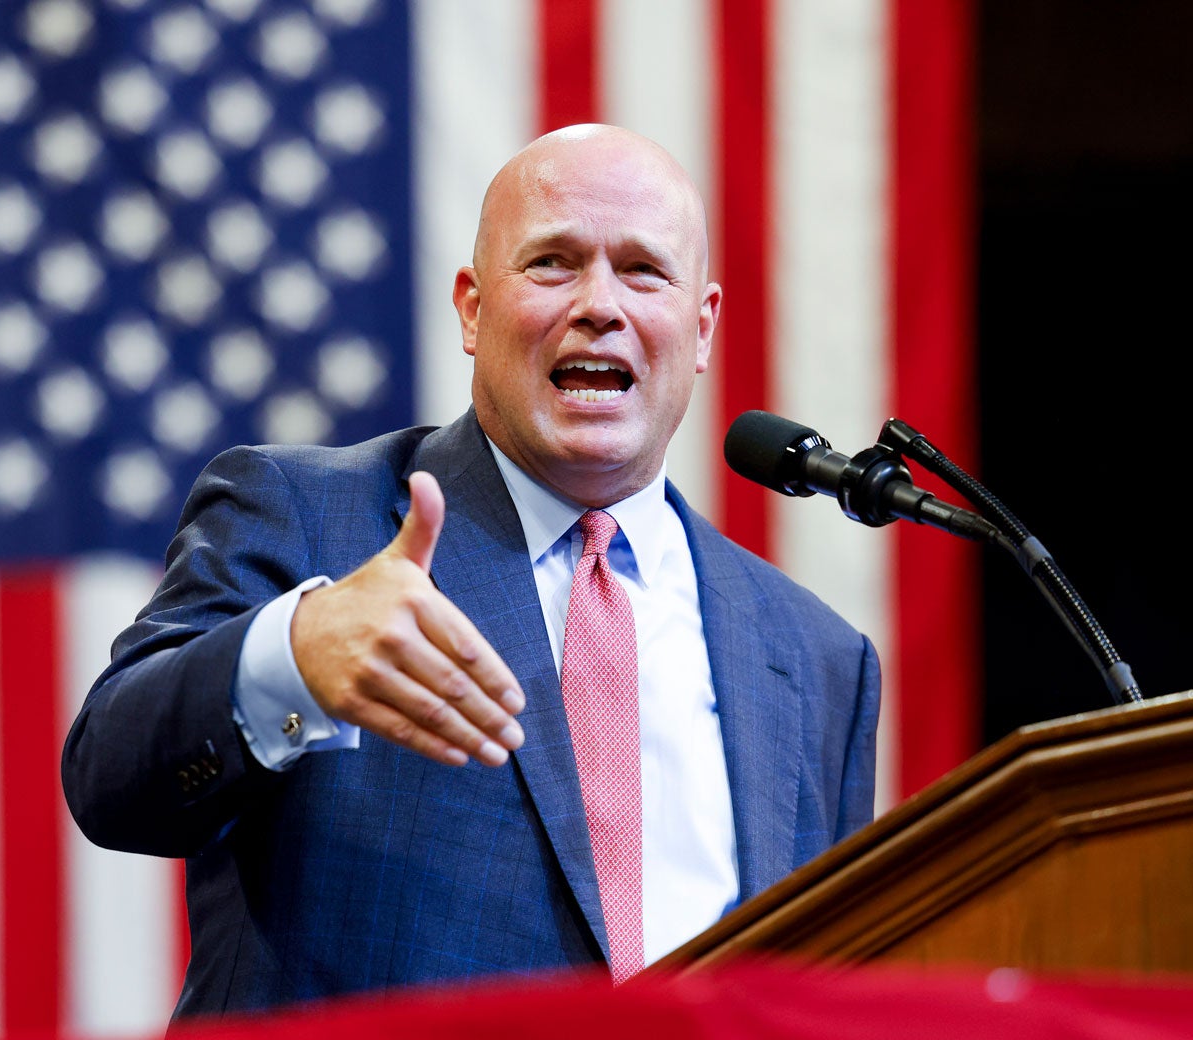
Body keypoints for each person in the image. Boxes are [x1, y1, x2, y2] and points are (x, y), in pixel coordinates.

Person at [61, 124, 880, 1019]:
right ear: (472, 309)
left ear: (703, 327)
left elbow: (821, 990)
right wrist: (293, 655)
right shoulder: (308, 514)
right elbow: (112, 777)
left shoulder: (818, 659)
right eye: (553, 264)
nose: (601, 304)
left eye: (644, 270)